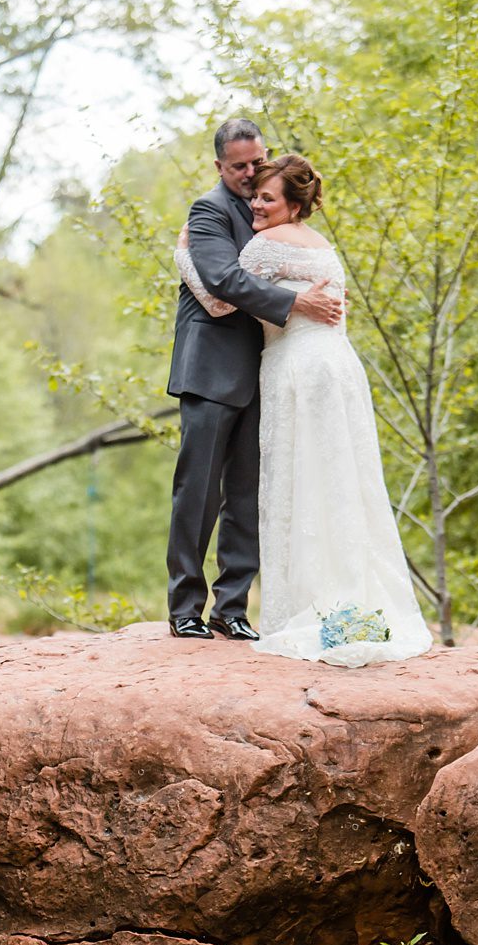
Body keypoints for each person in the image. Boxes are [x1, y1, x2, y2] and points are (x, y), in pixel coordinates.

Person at [174, 154, 432, 666]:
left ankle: (310, 608)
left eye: (268, 198)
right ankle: (344, 600)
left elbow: (219, 295)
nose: (256, 203)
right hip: (334, 367)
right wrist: (297, 305)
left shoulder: (271, 242)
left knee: (300, 484)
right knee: (336, 485)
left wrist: (182, 252)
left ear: (294, 205)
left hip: (300, 370)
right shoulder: (318, 245)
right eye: (255, 196)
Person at [164, 118, 346, 640]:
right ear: (219, 165)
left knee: (247, 494)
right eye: (239, 165)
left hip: (269, 368)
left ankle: (232, 607)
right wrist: (294, 301)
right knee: (196, 492)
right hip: (211, 369)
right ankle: (184, 609)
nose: (250, 172)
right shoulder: (208, 212)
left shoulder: (272, 207)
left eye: (255, 160)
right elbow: (221, 282)